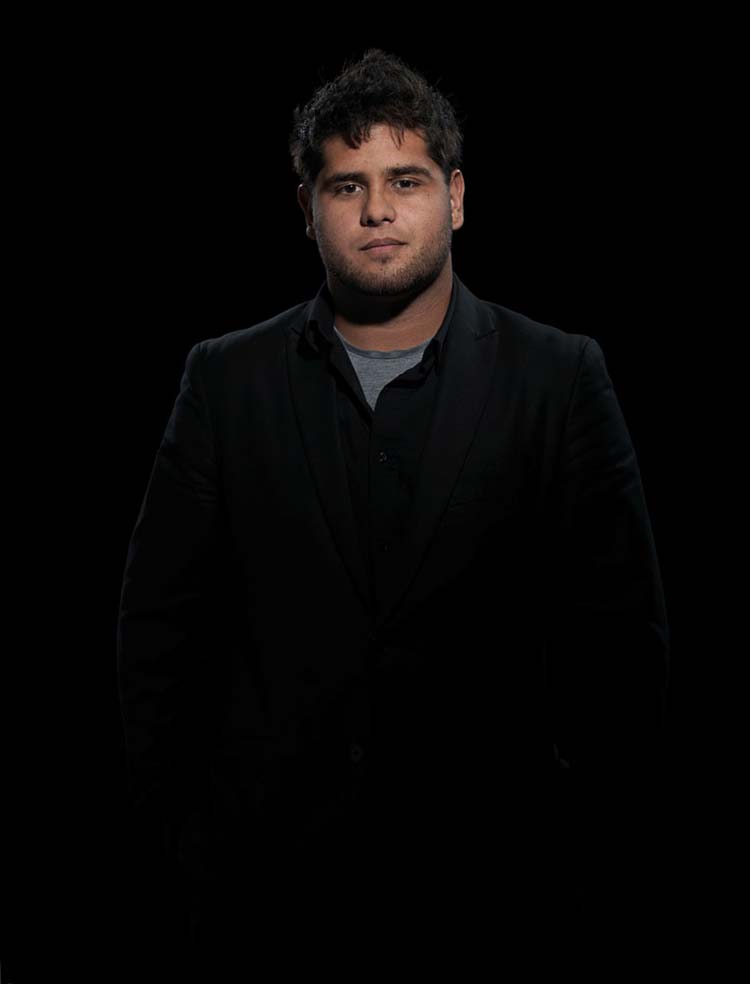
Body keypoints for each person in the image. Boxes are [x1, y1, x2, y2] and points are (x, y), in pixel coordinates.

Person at [117, 48, 670, 969]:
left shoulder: (559, 375)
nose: (377, 209)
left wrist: (590, 856)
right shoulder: (224, 380)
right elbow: (158, 632)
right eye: (348, 186)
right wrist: (188, 843)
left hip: (501, 895)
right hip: (270, 896)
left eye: (405, 180)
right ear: (308, 209)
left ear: (455, 198)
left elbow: (622, 642)